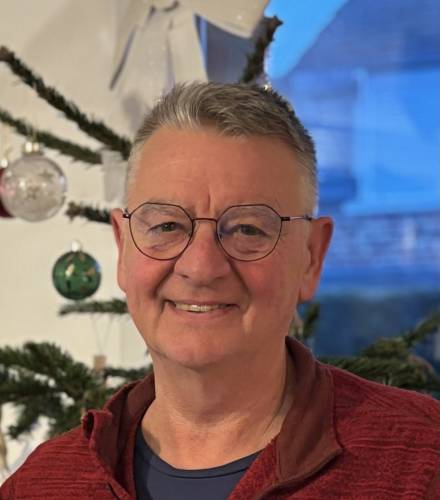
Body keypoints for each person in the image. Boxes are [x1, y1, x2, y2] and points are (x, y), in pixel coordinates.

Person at [1, 82, 439, 500]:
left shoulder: (424, 463)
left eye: (248, 229)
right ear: (123, 247)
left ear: (311, 256)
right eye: (167, 226)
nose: (201, 267)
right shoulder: (39, 486)